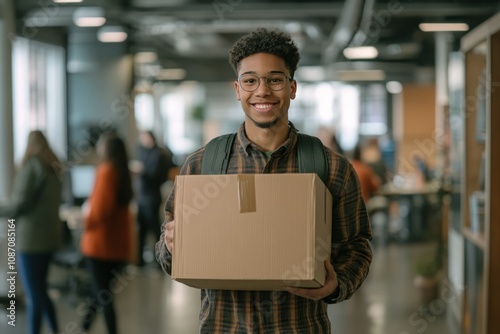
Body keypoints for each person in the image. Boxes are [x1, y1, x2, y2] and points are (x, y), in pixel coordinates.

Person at [156, 28, 372, 333]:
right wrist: (171, 246)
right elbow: (166, 250)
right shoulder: (203, 165)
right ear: (237, 88)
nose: (262, 91)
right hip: (224, 327)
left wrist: (337, 284)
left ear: (292, 87)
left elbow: (357, 245)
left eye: (274, 79)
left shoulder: (331, 167)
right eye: (250, 80)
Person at [0, 130, 62, 334]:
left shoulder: (32, 167)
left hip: (31, 240)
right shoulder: (53, 168)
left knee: (34, 294)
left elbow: (19, 204)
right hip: (50, 238)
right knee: (39, 291)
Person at [79, 133, 134, 334]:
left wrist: (83, 219)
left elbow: (100, 210)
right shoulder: (123, 172)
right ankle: (84, 325)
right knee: (101, 290)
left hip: (100, 245)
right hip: (118, 245)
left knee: (104, 295)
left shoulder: (106, 171)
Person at [136, 130, 174, 267]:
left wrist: (142, 171)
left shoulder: (159, 154)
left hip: (151, 197)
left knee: (154, 229)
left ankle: (159, 261)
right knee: (142, 230)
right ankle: (139, 262)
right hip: (142, 197)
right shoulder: (144, 152)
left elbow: (158, 175)